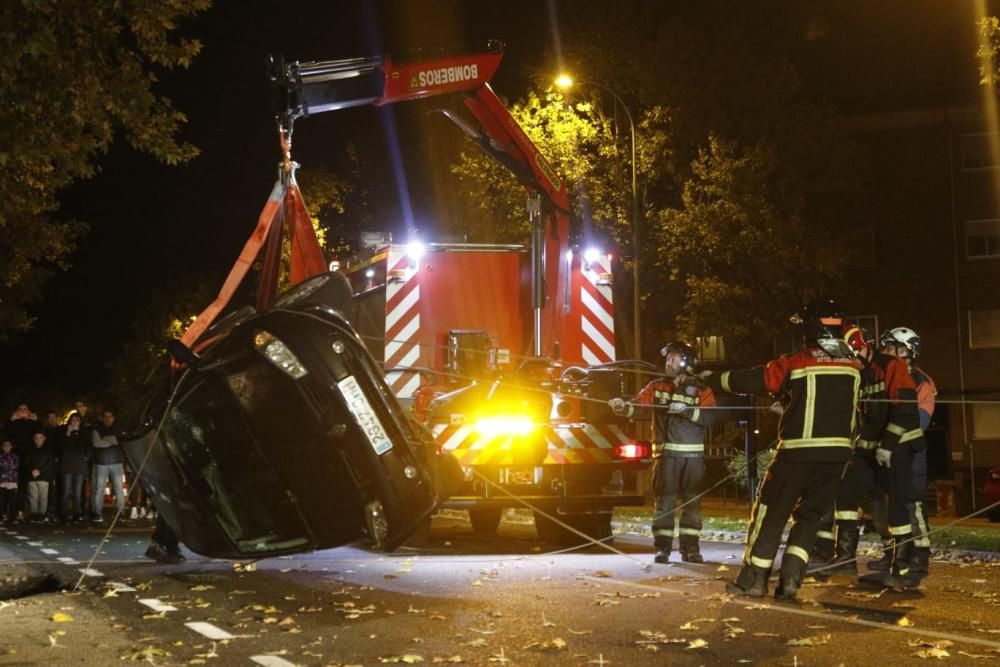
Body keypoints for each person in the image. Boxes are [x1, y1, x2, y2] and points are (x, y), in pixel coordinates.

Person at [703, 300, 861, 599]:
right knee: (809, 519)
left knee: (770, 513)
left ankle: (753, 580)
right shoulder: (852, 365)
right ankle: (790, 582)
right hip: (837, 458)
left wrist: (712, 379)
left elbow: (754, 380)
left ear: (810, 329)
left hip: (797, 454)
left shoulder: (798, 361)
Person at [821, 325, 921, 585]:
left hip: (898, 446)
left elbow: (906, 409)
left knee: (897, 505)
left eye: (849, 354)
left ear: (863, 348)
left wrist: (888, 445)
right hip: (869, 449)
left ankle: (902, 569)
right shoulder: (859, 374)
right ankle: (844, 559)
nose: (847, 360)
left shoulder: (890, 366)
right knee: (846, 490)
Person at [610, 341, 717, 564]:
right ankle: (662, 549)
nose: (668, 361)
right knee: (664, 505)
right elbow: (638, 407)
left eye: (674, 357)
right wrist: (622, 406)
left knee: (692, 505)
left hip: (693, 459)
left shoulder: (701, 390)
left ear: (686, 362)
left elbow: (709, 418)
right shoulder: (656, 387)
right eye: (668, 358)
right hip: (666, 458)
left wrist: (687, 411)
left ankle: (691, 549)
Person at [91, 409, 126, 523]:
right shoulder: (96, 429)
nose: (107, 418)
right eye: (105, 416)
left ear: (113, 417)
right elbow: (96, 443)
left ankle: (121, 513)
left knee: (119, 489)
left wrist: (105, 440)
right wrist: (112, 441)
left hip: (117, 462)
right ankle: (97, 513)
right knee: (99, 489)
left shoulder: (118, 429)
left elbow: (120, 442)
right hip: (101, 463)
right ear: (102, 417)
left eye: (110, 416)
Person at [57, 412, 91, 522]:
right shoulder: (64, 431)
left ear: (80, 422)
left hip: (79, 463)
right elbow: (61, 447)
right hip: (67, 463)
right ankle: (62, 513)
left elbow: (88, 446)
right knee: (66, 490)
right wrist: (68, 432)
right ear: (69, 421)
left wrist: (86, 457)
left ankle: (78, 513)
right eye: (73, 419)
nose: (75, 422)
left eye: (77, 420)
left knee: (77, 491)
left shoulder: (84, 432)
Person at [24, 431, 54, 523]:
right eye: (36, 438)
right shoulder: (30, 450)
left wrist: (40, 471)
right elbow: (26, 462)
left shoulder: (48, 450)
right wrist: (32, 470)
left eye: (40, 437)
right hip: (32, 477)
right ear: (33, 439)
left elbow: (49, 463)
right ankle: (34, 514)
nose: (38, 440)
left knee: (43, 497)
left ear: (44, 438)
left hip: (44, 477)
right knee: (33, 496)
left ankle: (42, 514)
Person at [0, 439, 19, 523]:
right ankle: (2, 516)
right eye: (5, 445)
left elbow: (15, 466)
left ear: (11, 447)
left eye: (8, 445)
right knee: (2, 500)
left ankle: (13, 517)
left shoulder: (14, 456)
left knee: (12, 500)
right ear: (2, 447)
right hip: (2, 481)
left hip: (12, 481)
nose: (6, 447)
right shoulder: (0, 456)